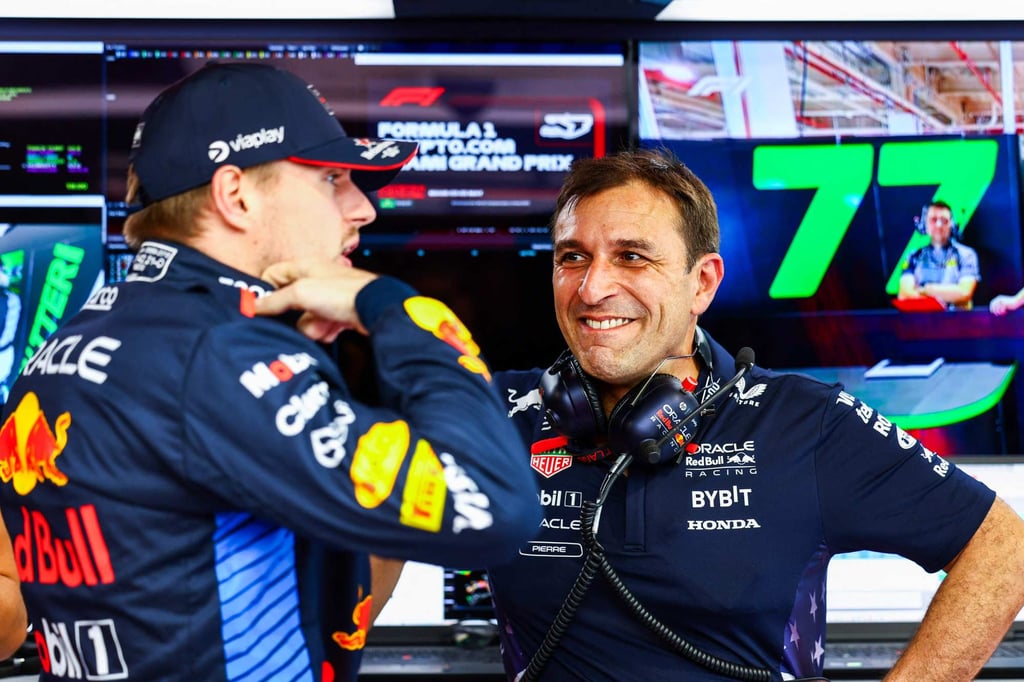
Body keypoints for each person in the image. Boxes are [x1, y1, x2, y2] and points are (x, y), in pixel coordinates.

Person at [0, 62, 541, 681]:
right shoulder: (219, 353)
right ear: (237, 195)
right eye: (332, 179)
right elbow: (495, 506)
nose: (362, 208)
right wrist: (397, 310)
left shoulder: (82, 333)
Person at [475, 149, 1023, 681]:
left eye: (631, 257)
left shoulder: (807, 421)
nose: (593, 288)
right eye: (573, 257)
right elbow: (386, 502)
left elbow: (1005, 547)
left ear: (703, 283)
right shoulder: (494, 412)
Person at [897, 200, 980, 310]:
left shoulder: (966, 254)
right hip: (922, 321)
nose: (939, 225)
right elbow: (904, 293)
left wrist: (925, 289)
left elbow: (964, 293)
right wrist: (949, 294)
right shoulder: (914, 256)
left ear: (952, 224)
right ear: (924, 223)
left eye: (944, 220)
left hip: (956, 321)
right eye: (933, 220)